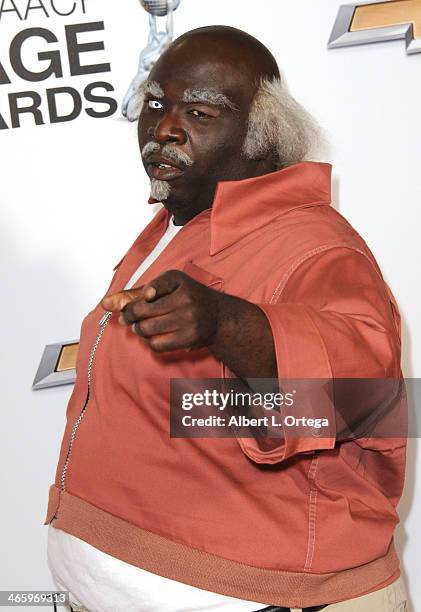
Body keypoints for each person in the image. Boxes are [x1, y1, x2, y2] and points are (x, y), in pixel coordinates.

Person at [45, 26, 408, 612]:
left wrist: (228, 326)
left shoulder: (319, 247)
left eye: (200, 111)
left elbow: (372, 405)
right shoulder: (180, 225)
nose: (164, 126)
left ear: (263, 139)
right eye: (157, 103)